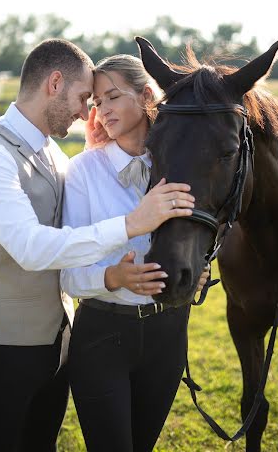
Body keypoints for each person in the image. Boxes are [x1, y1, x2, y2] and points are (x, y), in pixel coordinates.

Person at [0, 39, 195, 452]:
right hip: (3, 350)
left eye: (98, 100)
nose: (89, 114)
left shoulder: (54, 155)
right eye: (86, 98)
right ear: (54, 83)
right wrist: (130, 227)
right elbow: (30, 248)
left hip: (57, 350)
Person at [61, 54, 208, 452]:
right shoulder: (82, 172)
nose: (101, 111)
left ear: (146, 95)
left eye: (111, 97)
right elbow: (68, 275)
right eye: (95, 103)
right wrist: (114, 277)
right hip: (103, 338)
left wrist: (199, 269)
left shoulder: (180, 166)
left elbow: (203, 233)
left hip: (168, 336)